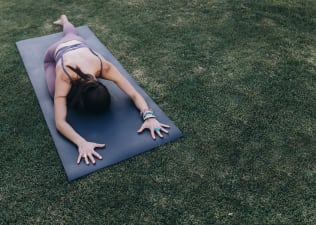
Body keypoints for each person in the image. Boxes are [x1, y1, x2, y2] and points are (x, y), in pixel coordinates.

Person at [44, 15, 170, 165]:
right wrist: (81, 142)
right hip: (54, 53)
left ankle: (64, 20)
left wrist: (149, 116)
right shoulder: (65, 77)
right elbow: (60, 122)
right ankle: (64, 21)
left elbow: (134, 94)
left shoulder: (105, 67)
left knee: (71, 33)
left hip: (78, 43)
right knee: (55, 94)